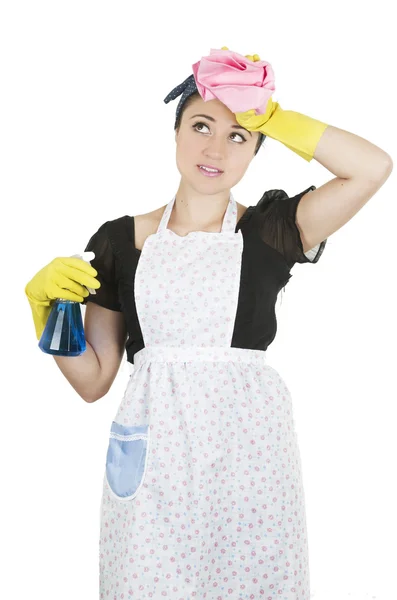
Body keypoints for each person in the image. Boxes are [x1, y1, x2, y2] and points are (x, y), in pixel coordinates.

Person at [24, 47, 392, 598]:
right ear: (176, 132)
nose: (215, 147)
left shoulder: (272, 231)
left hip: (250, 461)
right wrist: (50, 313)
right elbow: (93, 381)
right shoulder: (119, 242)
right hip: (154, 471)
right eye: (201, 125)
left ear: (256, 149)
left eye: (239, 135)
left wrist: (272, 115)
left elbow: (372, 168)